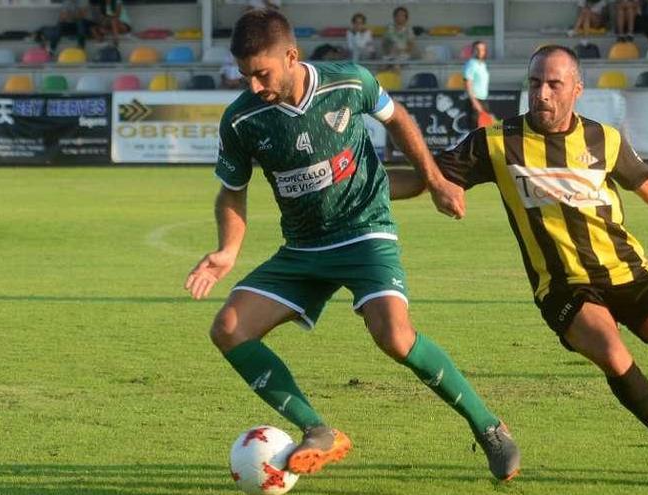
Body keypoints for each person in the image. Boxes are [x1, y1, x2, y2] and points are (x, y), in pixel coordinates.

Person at [390, 45, 648, 490]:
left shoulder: (604, 140)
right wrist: (362, 186)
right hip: (562, 285)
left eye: (554, 84)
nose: (543, 94)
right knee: (613, 355)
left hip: (627, 272)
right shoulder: (497, 141)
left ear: (576, 89)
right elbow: (426, 177)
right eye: (535, 83)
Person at [184, 9, 520, 481]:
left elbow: (398, 118)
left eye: (262, 73)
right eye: (246, 76)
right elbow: (232, 191)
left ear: (291, 56)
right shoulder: (242, 119)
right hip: (303, 248)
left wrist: (435, 180)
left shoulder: (349, 82)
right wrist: (227, 250)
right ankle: (317, 430)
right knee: (229, 327)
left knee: (395, 336)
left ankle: (490, 429)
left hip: (365, 230)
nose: (254, 85)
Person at [463, 41, 491, 129]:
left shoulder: (483, 64)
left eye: (482, 49)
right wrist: (475, 102)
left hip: (483, 100)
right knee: (475, 130)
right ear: (473, 51)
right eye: (477, 49)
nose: (480, 52)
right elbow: (467, 84)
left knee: (484, 129)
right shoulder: (471, 64)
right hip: (474, 101)